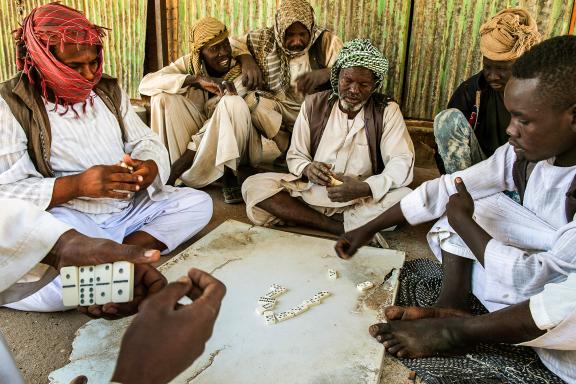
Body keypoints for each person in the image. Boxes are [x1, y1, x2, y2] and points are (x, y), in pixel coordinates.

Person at [335, 36, 576, 383]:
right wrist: (368, 227)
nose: (510, 129)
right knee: (477, 201)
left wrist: (463, 222)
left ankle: (456, 329)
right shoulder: (525, 155)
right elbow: (448, 186)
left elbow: (537, 280)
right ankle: (454, 305)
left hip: (563, 323)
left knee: (468, 218)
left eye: (523, 120)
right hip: (540, 272)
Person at [0, 3, 212, 312]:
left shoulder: (107, 90)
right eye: (74, 66)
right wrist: (78, 186)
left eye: (93, 61)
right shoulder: (10, 105)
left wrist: (148, 168)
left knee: (197, 204)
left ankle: (117, 256)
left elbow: (145, 140)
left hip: (126, 209)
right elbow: (7, 192)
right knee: (56, 293)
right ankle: (102, 259)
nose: (88, 75)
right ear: (42, 61)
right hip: (71, 220)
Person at [0, 198, 226, 384]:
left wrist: (62, 247)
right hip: (66, 211)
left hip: (120, 210)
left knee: (198, 202)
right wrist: (140, 374)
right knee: (61, 288)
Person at [241, 39, 414, 236]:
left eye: (364, 84)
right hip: (311, 192)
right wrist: (307, 168)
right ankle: (337, 227)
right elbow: (296, 154)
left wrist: (365, 188)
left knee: (406, 199)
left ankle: (306, 218)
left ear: (374, 85)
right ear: (337, 76)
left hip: (362, 197)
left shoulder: (387, 110)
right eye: (347, 81)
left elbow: (401, 161)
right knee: (252, 185)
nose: (354, 90)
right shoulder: (314, 104)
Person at [139, 17, 258, 203]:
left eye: (225, 44)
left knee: (232, 103)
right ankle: (182, 173)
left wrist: (177, 167)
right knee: (162, 97)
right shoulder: (190, 64)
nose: (224, 53)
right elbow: (145, 84)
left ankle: (227, 175)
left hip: (233, 148)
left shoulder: (240, 70)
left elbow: (217, 124)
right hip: (199, 144)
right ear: (200, 53)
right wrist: (194, 80)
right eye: (214, 49)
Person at [231, 0, 343, 160]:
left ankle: (308, 151)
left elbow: (350, 69)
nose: (297, 41)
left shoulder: (325, 41)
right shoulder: (265, 39)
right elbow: (233, 43)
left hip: (316, 112)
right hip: (282, 108)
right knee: (251, 102)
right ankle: (288, 148)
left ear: (310, 29)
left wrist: (326, 73)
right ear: (280, 29)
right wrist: (246, 59)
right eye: (289, 35)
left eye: (302, 34)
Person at [434, 8, 540, 174]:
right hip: (479, 169)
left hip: (519, 174)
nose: (492, 76)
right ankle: (461, 190)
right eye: (487, 67)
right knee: (447, 120)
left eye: (501, 68)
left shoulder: (540, 95)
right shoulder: (472, 89)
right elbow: (444, 148)